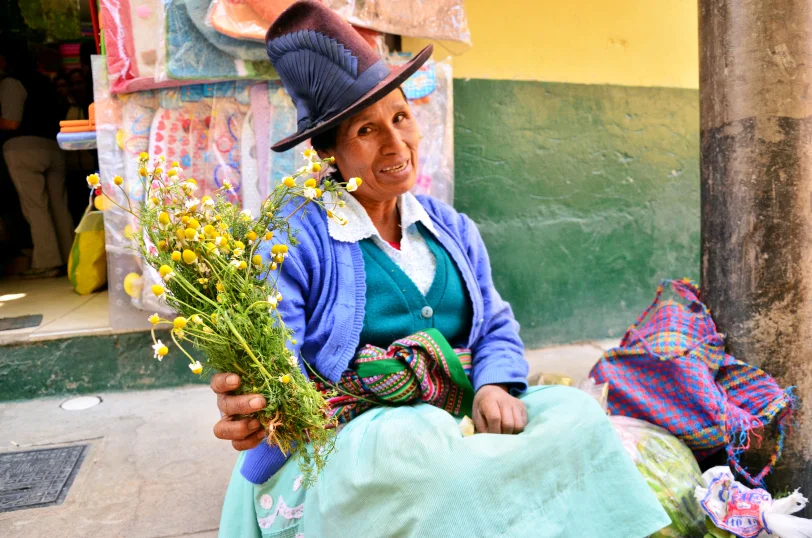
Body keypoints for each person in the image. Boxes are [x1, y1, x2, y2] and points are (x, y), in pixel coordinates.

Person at [211, 2, 670, 536]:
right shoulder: (296, 238)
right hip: (364, 432)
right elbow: (276, 355)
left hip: (460, 408)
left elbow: (496, 325)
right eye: (366, 130)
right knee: (429, 460)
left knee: (579, 417)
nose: (395, 143)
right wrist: (255, 401)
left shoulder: (451, 228)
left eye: (400, 117)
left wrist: (493, 387)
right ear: (330, 153)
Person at [0, 41, 74, 279]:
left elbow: (11, 122)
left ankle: (47, 262)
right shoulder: (44, 82)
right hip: (53, 146)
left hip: (23, 148)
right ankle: (73, 259)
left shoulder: (11, 83)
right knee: (59, 206)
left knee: (36, 207)